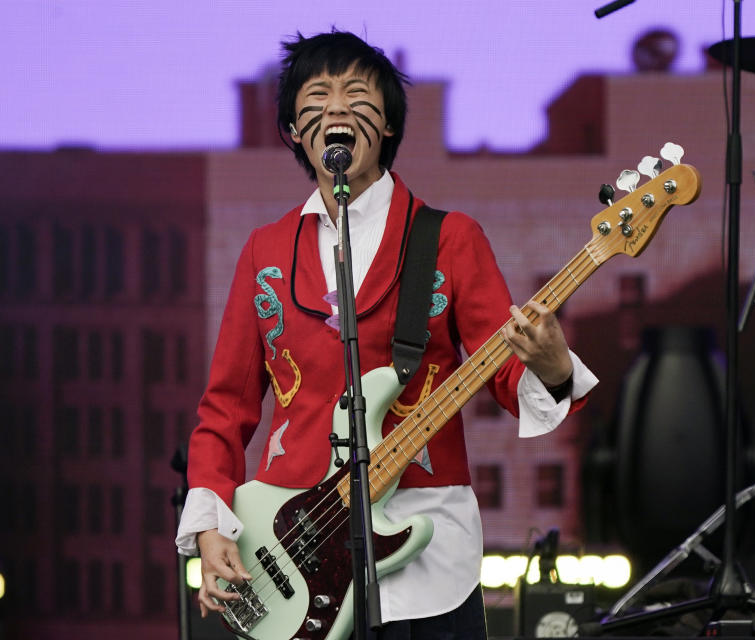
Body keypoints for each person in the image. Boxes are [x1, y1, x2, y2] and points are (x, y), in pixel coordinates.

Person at [176, 30, 598, 639]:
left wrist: (554, 365)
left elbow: (502, 373)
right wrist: (213, 521)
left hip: (428, 550)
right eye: (317, 95)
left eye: (357, 94)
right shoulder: (265, 252)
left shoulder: (450, 238)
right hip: (292, 548)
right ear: (295, 129)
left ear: (390, 126)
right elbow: (226, 407)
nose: (338, 108)